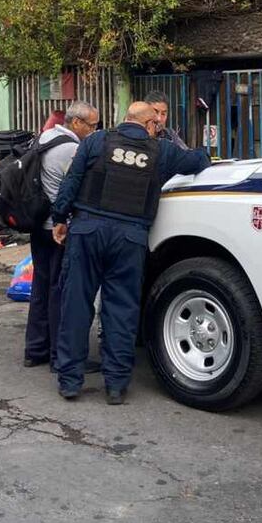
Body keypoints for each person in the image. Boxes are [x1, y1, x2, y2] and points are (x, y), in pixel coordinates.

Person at [51, 101, 210, 404]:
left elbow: (71, 182)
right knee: (121, 310)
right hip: (129, 237)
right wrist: (205, 150)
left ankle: (70, 382)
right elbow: (198, 161)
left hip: (87, 231)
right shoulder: (162, 150)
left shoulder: (97, 140)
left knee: (76, 306)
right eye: (157, 125)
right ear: (151, 124)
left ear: (124, 119)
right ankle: (115, 385)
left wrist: (60, 218)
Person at [24, 101, 100, 372]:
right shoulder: (71, 149)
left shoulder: (45, 137)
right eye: (91, 125)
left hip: (37, 226)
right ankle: (59, 355)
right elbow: (80, 188)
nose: (93, 131)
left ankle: (35, 350)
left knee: (41, 287)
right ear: (76, 122)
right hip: (59, 230)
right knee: (61, 292)